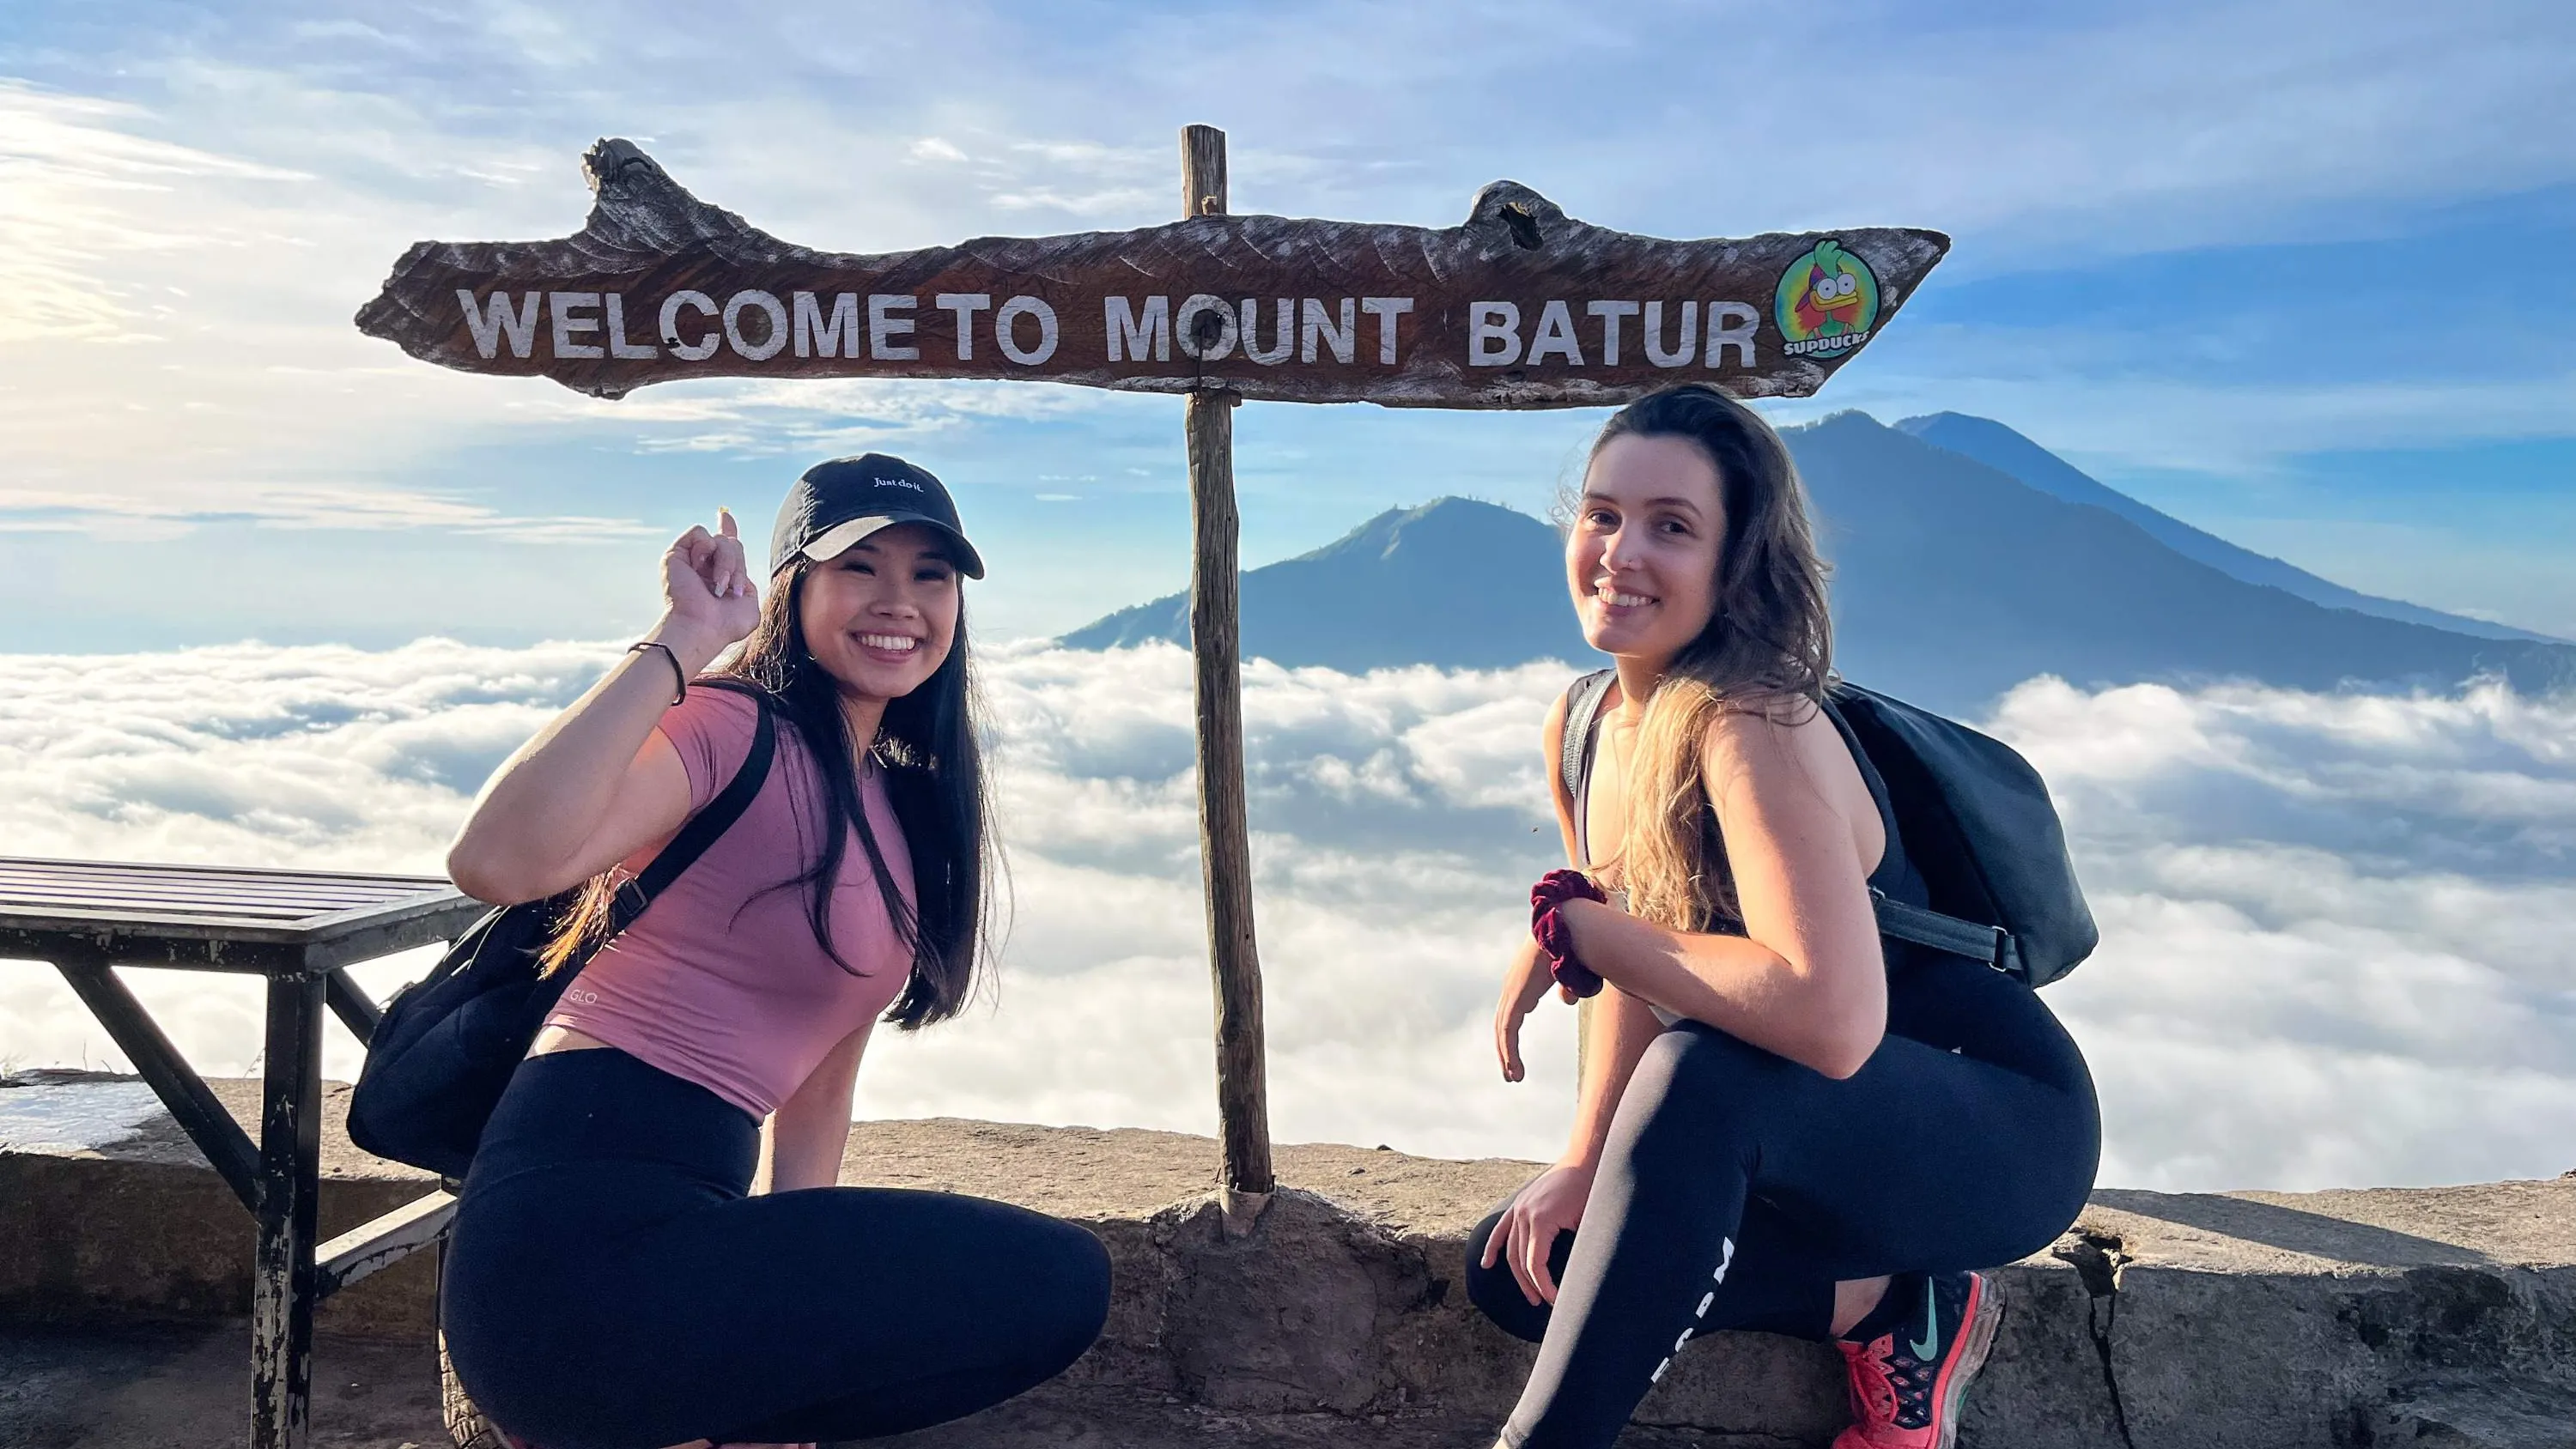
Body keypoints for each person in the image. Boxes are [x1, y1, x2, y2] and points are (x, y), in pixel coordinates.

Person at [1467, 385, 2100, 1449]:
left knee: (1698, 1072)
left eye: (1672, 526)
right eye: (1602, 513)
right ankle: (1899, 1309)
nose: (1621, 551)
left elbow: (1829, 1018)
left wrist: (1578, 929)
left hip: (1990, 1116)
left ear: (1737, 562)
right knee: (1523, 1267)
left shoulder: (1754, 722)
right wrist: (1585, 1158)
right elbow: (1644, 970)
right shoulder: (1583, 723)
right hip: (1804, 1128)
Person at [438, 455, 1110, 1449]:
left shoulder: (893, 806)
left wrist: (778, 1380)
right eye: (860, 566)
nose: (899, 600)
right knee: (1056, 1276)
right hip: (566, 1251)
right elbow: (495, 859)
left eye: (930, 574)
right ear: (796, 587)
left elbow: (821, 1088)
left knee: (1051, 1298)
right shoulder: (731, 726)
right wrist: (686, 638)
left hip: (686, 1243)